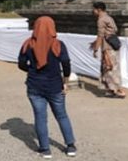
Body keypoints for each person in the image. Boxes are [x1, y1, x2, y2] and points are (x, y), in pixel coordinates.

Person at [18, 16, 77, 158]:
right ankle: (70, 146)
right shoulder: (58, 44)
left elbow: (21, 64)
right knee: (62, 115)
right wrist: (66, 81)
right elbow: (66, 64)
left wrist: (32, 70)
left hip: (34, 85)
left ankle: (45, 149)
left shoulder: (28, 44)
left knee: (40, 117)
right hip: (55, 85)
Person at [90, 2, 125, 98]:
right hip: (113, 45)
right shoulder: (109, 18)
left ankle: (118, 90)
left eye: (94, 9)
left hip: (108, 48)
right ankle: (112, 90)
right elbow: (114, 30)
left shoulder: (101, 20)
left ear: (99, 9)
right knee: (113, 68)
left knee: (109, 68)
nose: (93, 11)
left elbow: (100, 35)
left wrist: (96, 49)